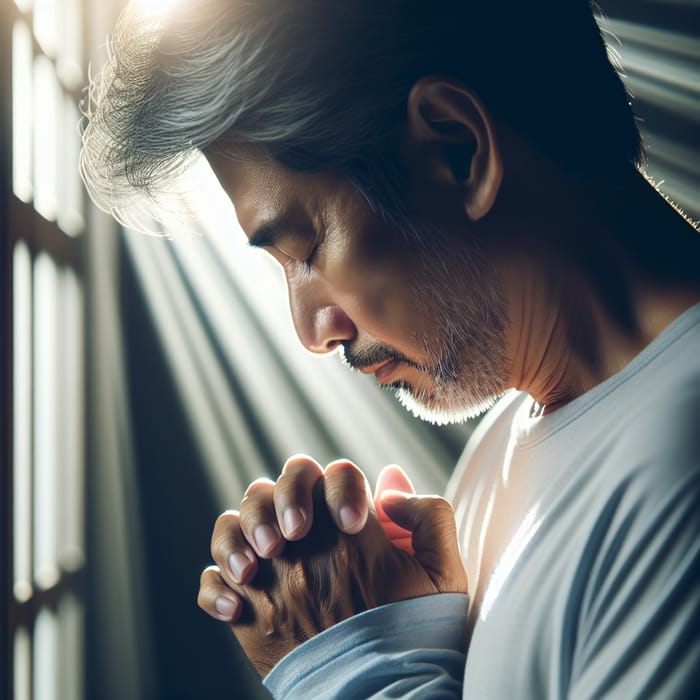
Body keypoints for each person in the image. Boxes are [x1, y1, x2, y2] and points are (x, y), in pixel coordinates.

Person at [80, 0, 700, 697]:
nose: (313, 331)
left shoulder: (683, 469)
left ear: (456, 148)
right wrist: (401, 630)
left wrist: (350, 668)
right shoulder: (503, 448)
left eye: (306, 249)